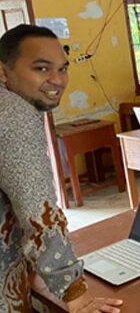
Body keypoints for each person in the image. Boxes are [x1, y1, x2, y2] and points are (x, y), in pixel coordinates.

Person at [0, 24, 122, 312]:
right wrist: (75, 295)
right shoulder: (14, 115)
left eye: (63, 68)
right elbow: (39, 212)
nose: (57, 80)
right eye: (41, 69)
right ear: (3, 71)